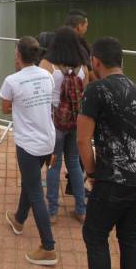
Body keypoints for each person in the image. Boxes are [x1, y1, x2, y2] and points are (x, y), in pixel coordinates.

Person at [77, 37, 136, 269]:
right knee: (129, 235)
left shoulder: (96, 90)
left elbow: (83, 139)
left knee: (95, 235)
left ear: (96, 61)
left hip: (116, 179)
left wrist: (92, 172)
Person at [1, 37, 58, 266]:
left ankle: (48, 247)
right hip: (48, 141)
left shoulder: (12, 81)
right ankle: (18, 220)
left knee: (35, 192)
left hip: (28, 145)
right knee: (30, 181)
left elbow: (5, 108)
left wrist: (22, 102)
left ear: (18, 55)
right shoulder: (48, 75)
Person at [40, 26, 88, 224]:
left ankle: (52, 212)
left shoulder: (47, 65)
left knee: (53, 163)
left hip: (55, 121)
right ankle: (81, 209)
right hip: (76, 121)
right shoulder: (83, 68)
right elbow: (84, 93)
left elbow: (41, 93)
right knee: (74, 163)